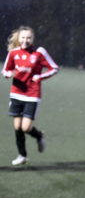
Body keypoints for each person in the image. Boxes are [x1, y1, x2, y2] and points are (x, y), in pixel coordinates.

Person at [1, 26, 59, 165]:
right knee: (17, 126)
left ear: (33, 39)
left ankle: (39, 136)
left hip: (32, 94)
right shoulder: (13, 53)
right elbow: (5, 70)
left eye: (28, 38)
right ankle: (22, 155)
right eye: (23, 37)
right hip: (16, 93)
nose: (25, 40)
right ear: (19, 38)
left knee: (25, 127)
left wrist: (40, 77)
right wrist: (8, 74)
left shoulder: (39, 52)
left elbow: (54, 68)